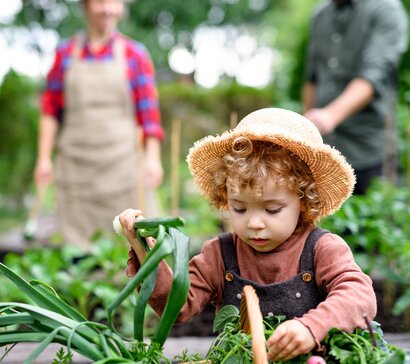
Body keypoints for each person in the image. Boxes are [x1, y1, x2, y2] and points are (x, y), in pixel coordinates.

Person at [118, 108, 377, 362]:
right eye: (239, 208)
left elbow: (359, 296)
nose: (254, 223)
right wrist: (146, 252)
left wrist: (312, 327)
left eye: (272, 209)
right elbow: (175, 307)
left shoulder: (322, 249)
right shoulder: (219, 254)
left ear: (304, 201)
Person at [34, 0, 164, 250]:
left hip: (122, 167)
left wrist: (153, 158)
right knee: (77, 250)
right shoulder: (65, 54)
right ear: (85, 5)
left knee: (132, 246)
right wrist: (43, 158)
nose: (108, 9)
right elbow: (50, 109)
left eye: (115, 2)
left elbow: (148, 114)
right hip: (75, 168)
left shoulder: (134, 54)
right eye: (101, 2)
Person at [303, 0, 408, 195]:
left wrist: (330, 116)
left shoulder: (386, 9)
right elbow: (312, 78)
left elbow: (372, 76)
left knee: (376, 220)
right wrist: (306, 133)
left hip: (370, 150)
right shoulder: (319, 16)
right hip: (326, 153)